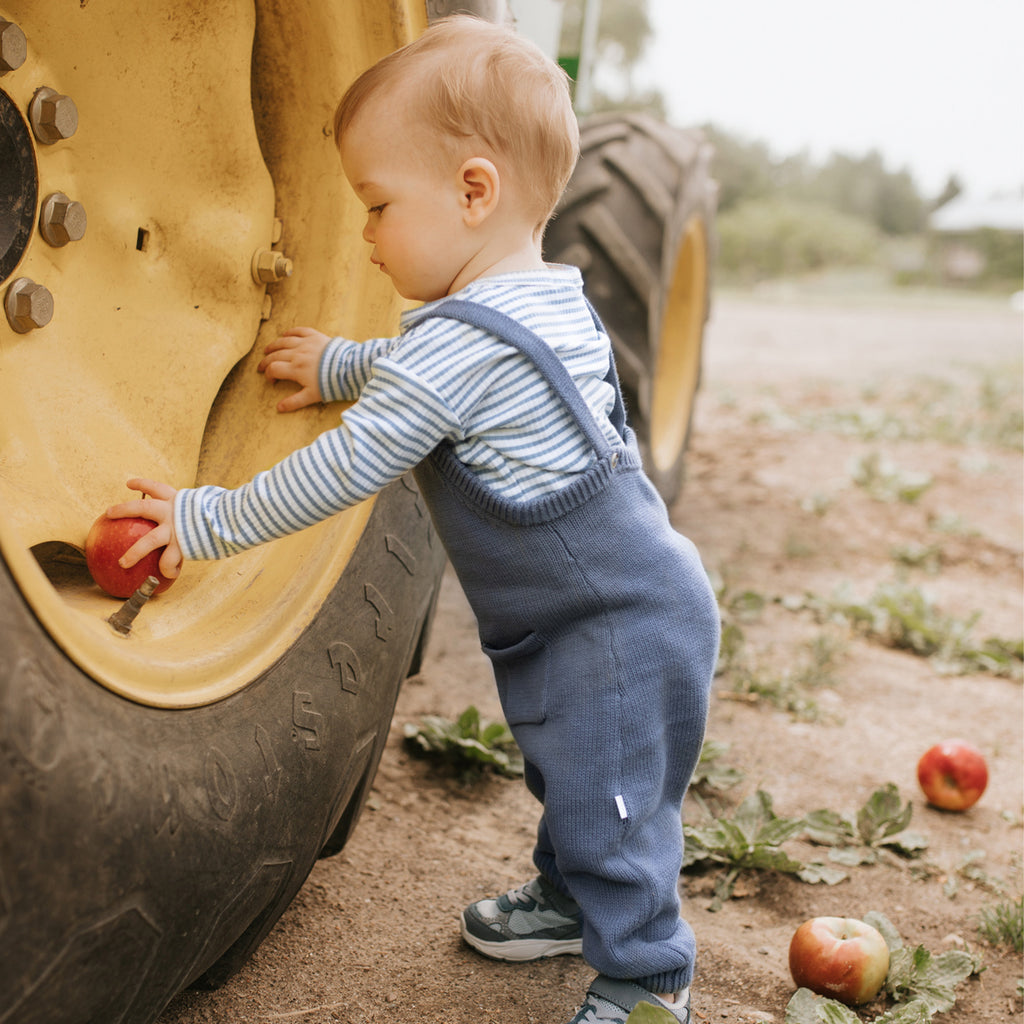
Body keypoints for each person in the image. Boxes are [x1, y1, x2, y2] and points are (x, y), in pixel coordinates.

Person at [108, 16, 719, 1024]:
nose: (364, 235)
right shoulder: (547, 298)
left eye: (379, 205)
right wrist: (343, 365)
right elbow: (444, 378)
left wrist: (204, 519)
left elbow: (350, 464)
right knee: (574, 773)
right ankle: (570, 903)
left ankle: (647, 978)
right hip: (618, 602)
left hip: (613, 625)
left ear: (473, 191)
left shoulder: (462, 348)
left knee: (614, 802)